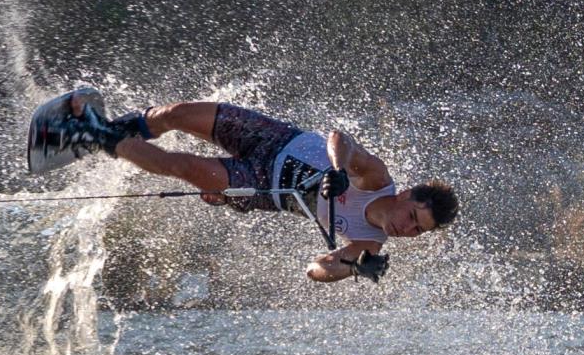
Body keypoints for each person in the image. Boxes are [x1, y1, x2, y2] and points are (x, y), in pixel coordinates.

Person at [28, 88, 458, 283]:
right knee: (178, 113)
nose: (409, 229)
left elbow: (316, 270)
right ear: (406, 196)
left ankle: (92, 135)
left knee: (185, 168)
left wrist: (350, 268)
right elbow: (340, 139)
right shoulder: (378, 179)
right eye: (414, 217)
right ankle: (113, 127)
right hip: (274, 139)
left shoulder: (369, 244)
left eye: (419, 231)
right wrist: (338, 168)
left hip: (262, 186)